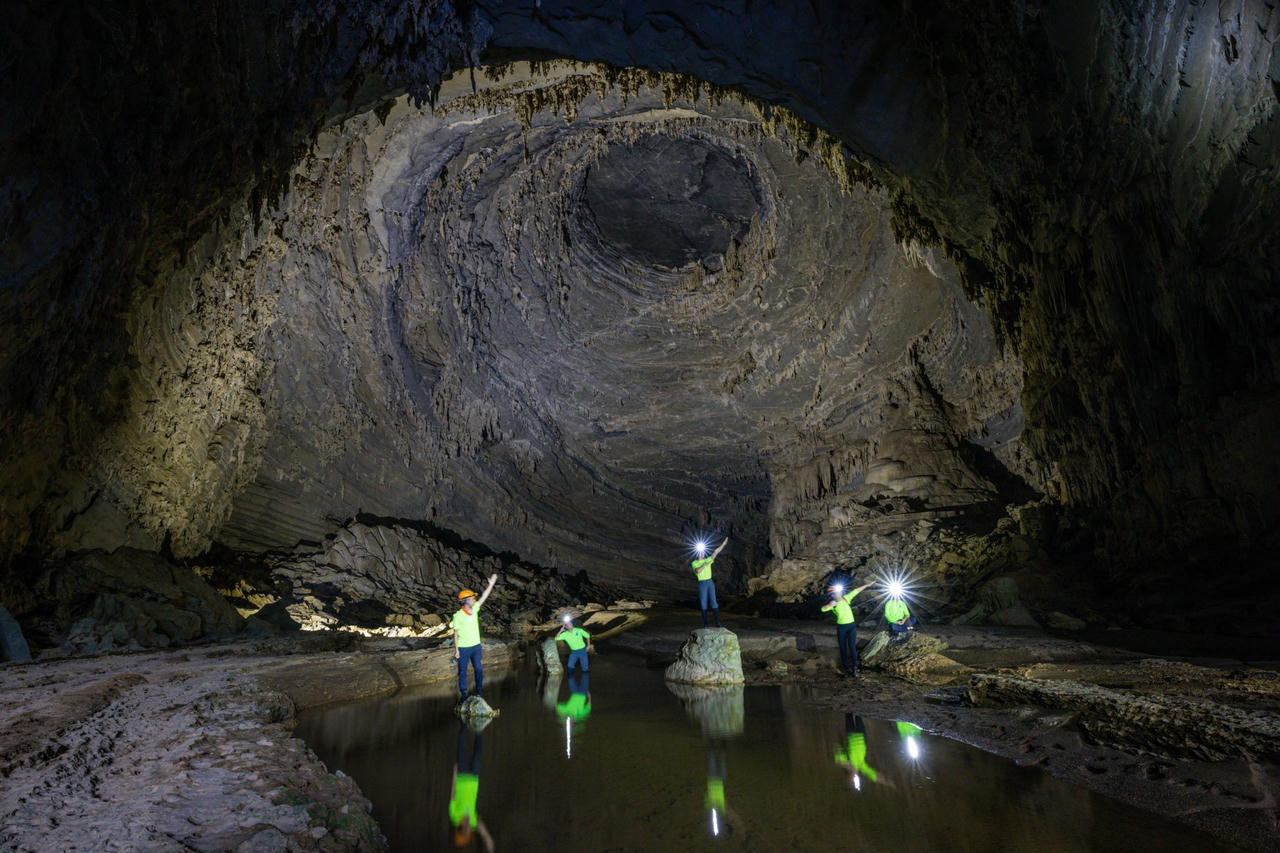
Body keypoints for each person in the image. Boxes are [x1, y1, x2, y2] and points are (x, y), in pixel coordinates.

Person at [452, 573, 498, 701]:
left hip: (476, 646)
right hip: (463, 648)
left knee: (478, 668)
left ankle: (479, 692)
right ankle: (463, 695)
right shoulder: (458, 616)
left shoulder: (475, 608)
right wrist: (456, 650)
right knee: (462, 672)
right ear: (465, 601)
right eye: (472, 598)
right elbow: (455, 634)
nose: (474, 600)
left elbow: (484, 597)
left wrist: (491, 584)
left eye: (473, 598)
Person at [449, 724, 494, 851]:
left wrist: (454, 773)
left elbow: (452, 793)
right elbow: (486, 837)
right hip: (474, 779)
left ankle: (464, 722)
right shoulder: (474, 822)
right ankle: (479, 727)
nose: (467, 829)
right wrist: (487, 840)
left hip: (462, 776)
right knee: (478, 751)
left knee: (461, 745)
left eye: (464, 831)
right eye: (467, 832)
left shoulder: (454, 815)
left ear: (460, 829)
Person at [821, 579, 871, 676]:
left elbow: (856, 591)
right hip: (841, 627)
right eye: (836, 593)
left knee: (852, 646)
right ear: (833, 595)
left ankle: (855, 668)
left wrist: (867, 585)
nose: (839, 594)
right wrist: (829, 605)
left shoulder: (846, 598)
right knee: (843, 648)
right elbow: (823, 609)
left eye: (839, 592)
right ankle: (846, 668)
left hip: (851, 626)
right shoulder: (833, 604)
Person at [835, 713, 880, 790]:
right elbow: (873, 774)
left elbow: (838, 749)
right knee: (858, 715)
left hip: (851, 734)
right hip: (861, 735)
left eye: (850, 780)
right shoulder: (861, 766)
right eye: (852, 781)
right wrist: (887, 781)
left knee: (849, 714)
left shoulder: (843, 762)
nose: (852, 779)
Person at [691, 537, 728, 628]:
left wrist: (723, 544)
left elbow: (716, 552)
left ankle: (718, 623)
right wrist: (704, 565)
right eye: (700, 552)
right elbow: (698, 571)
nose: (702, 553)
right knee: (703, 604)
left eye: (703, 552)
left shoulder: (708, 560)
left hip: (710, 582)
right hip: (702, 583)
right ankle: (706, 625)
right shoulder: (694, 563)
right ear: (697, 553)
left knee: (714, 602)